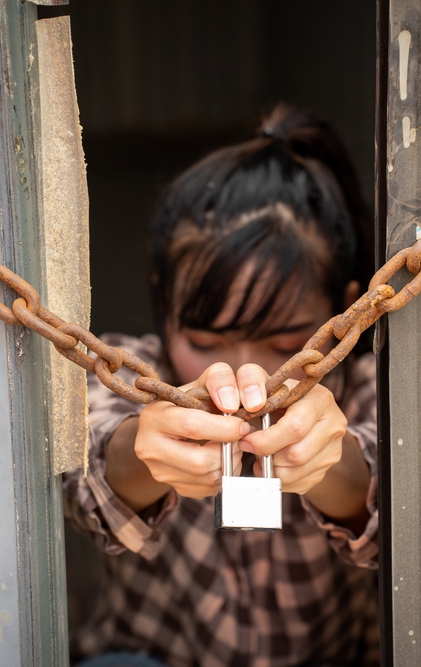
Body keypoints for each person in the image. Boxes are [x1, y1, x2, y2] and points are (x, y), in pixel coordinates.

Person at [64, 105, 379, 667]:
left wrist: (330, 463)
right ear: (165, 306)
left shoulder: (372, 386)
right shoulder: (135, 370)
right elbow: (80, 468)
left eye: (284, 343)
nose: (242, 374)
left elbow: (399, 504)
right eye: (205, 343)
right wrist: (143, 449)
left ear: (343, 310)